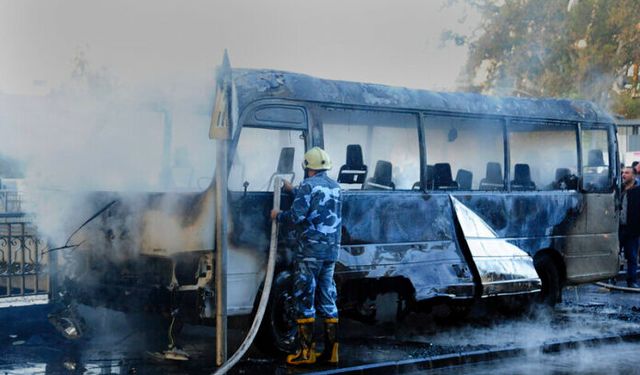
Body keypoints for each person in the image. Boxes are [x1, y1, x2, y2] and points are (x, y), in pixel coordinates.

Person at [270, 147, 342, 365]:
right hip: (331, 252)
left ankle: (305, 353)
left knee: (304, 299)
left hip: (310, 253)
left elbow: (297, 215)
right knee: (328, 299)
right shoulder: (336, 187)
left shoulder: (309, 186)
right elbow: (317, 203)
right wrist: (294, 190)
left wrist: (278, 215)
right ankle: (332, 353)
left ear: (307, 167)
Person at [619, 166, 640, 288]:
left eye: (627, 173)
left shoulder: (637, 191)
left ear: (634, 175)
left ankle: (631, 280)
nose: (623, 175)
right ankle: (611, 278)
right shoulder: (619, 189)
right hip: (618, 228)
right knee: (615, 254)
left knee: (631, 256)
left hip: (632, 228)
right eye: (623, 172)